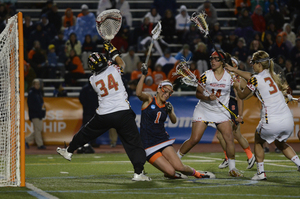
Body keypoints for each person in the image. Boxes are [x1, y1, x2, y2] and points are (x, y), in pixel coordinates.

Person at [57, 43, 151, 181]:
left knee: (85, 133)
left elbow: (104, 70)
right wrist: (114, 52)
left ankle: (69, 151)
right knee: (134, 143)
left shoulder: (92, 80)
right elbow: (122, 63)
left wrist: (110, 56)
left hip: (104, 113)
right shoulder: (114, 69)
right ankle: (138, 173)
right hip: (122, 112)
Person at [225, 50, 300, 180]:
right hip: (288, 120)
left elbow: (243, 96)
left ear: (259, 64)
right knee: (280, 143)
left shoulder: (256, 79)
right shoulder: (271, 75)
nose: (251, 65)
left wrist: (237, 86)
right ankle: (299, 163)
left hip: (271, 120)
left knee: (258, 140)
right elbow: (250, 75)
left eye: (253, 63)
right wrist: (233, 70)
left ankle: (261, 173)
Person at [136, 68, 215, 179]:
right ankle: (174, 175)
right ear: (159, 89)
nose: (167, 94)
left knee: (180, 167)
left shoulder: (168, 105)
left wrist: (169, 111)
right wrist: (143, 75)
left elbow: (174, 120)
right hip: (148, 145)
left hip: (162, 140)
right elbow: (138, 93)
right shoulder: (149, 99)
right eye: (165, 90)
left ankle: (199, 174)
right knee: (170, 172)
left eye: (170, 92)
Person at [177, 51, 244, 177]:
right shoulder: (206, 75)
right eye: (211, 59)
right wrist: (208, 98)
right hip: (204, 109)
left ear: (222, 62)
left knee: (229, 138)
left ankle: (232, 169)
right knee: (194, 139)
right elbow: (198, 94)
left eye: (216, 59)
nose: (212, 61)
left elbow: (240, 93)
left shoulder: (230, 76)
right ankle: (175, 159)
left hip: (221, 111)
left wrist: (239, 114)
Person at [216, 56, 255, 170]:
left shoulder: (237, 79)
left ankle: (228, 158)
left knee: (221, 135)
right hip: (226, 107)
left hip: (233, 108)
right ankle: (250, 156)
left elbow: (241, 97)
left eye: (230, 64)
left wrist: (240, 115)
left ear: (235, 66)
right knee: (237, 134)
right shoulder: (224, 77)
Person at [25, 79, 46, 150]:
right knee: (38, 129)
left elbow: (41, 103)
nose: (37, 86)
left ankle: (25, 140)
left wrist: (42, 112)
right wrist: (37, 110)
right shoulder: (32, 93)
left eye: (38, 84)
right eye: (36, 84)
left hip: (39, 114)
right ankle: (40, 144)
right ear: (33, 85)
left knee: (38, 129)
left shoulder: (38, 93)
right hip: (34, 114)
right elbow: (31, 105)